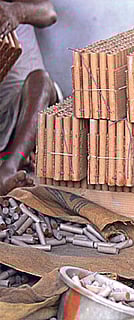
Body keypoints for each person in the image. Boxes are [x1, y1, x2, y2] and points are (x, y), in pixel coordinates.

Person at [0, 0, 58, 195]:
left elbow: (48, 13)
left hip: (25, 108)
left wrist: (16, 12)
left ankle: (9, 169)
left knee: (40, 81)